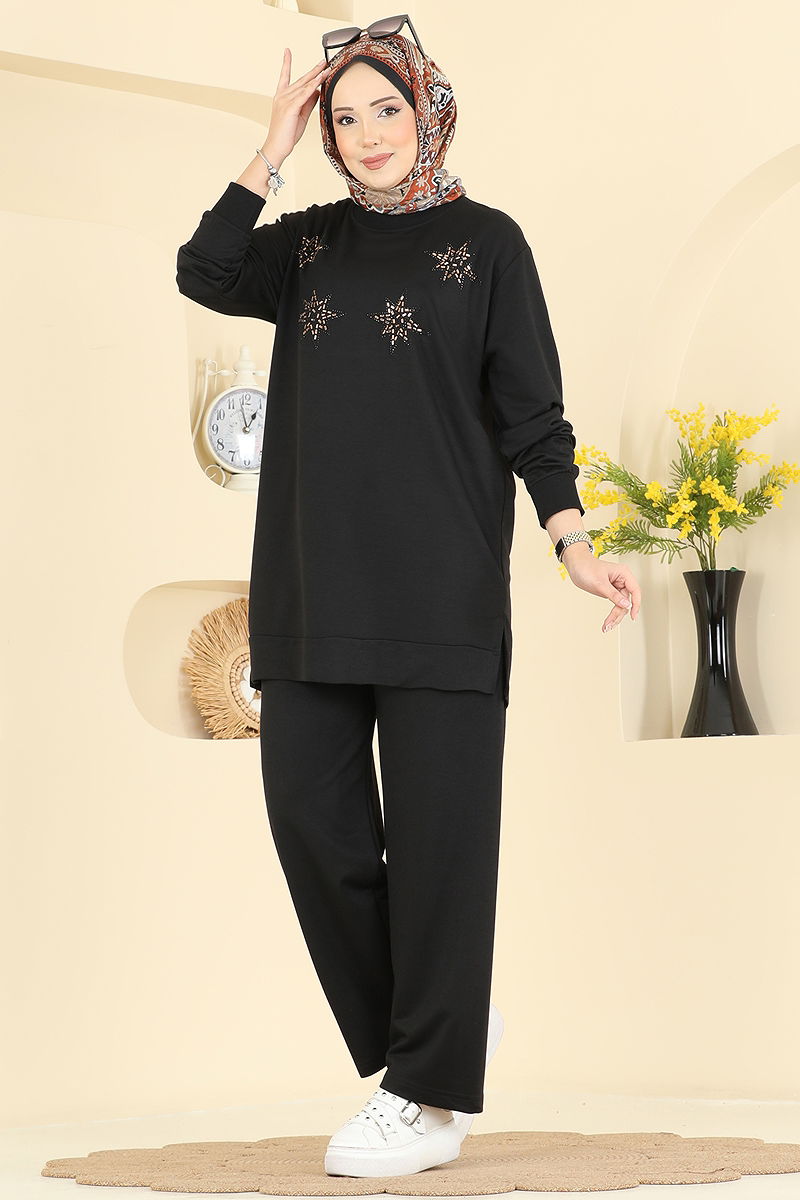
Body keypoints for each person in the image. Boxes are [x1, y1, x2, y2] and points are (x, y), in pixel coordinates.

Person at [175, 18, 641, 1180]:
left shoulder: (488, 245)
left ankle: (425, 1096)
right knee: (313, 831)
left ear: (427, 109)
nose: (368, 134)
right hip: (308, 589)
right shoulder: (305, 245)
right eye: (344, 118)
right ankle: (428, 1050)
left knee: (439, 856)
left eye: (385, 108)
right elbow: (204, 271)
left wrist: (572, 541)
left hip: (440, 595)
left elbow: (532, 414)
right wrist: (269, 149)